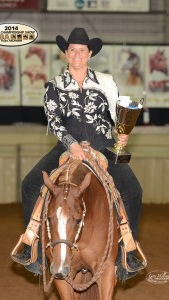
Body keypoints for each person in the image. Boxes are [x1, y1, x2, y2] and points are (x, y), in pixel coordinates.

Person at [13, 28, 144, 281]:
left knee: (133, 191)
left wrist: (122, 133)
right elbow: (54, 120)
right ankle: (34, 250)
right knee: (29, 185)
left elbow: (118, 114)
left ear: (90, 53)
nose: (77, 54)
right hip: (66, 146)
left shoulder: (105, 81)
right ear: (65, 53)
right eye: (72, 50)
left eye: (82, 50)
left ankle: (127, 252)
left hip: (103, 146)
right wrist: (72, 145)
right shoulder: (54, 85)